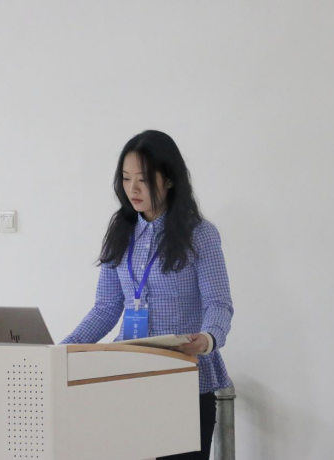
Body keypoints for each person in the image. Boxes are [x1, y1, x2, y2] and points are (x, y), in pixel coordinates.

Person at [61, 130, 234, 460]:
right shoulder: (121, 232)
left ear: (168, 179)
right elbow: (106, 307)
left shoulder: (199, 233)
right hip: (128, 375)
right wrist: (64, 349)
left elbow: (218, 303)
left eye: (142, 179)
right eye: (126, 179)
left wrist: (209, 338)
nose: (133, 189)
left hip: (185, 376)